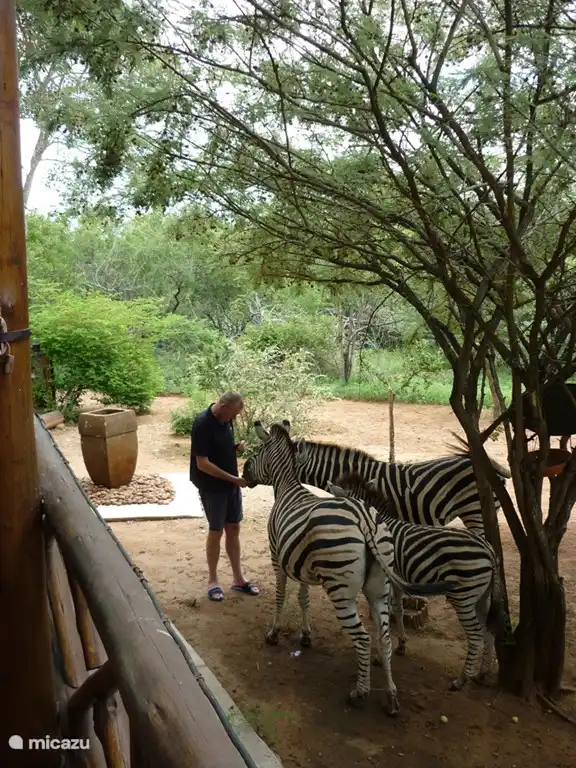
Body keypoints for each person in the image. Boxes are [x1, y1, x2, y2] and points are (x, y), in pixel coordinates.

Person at [190, 391, 260, 602]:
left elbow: (218, 449)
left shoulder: (226, 420)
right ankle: (213, 581)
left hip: (230, 485)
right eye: (233, 414)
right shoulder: (202, 423)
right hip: (212, 487)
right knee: (216, 530)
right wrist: (232, 479)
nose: (235, 418)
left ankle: (238, 579)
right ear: (222, 406)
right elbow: (202, 463)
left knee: (234, 528)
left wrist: (234, 448)